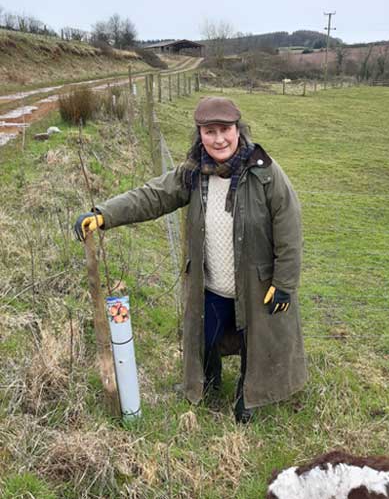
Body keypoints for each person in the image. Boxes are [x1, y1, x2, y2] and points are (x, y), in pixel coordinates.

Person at [74, 96, 307, 423]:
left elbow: (289, 227)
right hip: (211, 285)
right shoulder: (194, 172)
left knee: (255, 342)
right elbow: (153, 195)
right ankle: (208, 383)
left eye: (225, 129)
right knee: (205, 338)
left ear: (238, 129)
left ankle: (249, 394)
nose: (219, 139)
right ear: (200, 134)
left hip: (256, 285)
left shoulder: (265, 173)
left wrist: (284, 283)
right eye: (209, 131)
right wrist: (104, 214)